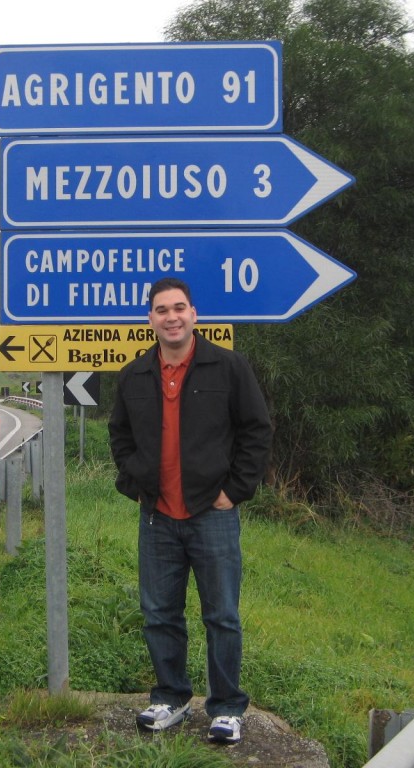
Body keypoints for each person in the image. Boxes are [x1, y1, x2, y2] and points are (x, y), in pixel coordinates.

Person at [108, 277, 273, 744]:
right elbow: (119, 436)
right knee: (159, 612)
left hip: (212, 513)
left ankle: (225, 707)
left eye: (179, 308)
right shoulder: (135, 375)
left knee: (221, 614)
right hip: (157, 516)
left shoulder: (229, 367)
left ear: (194, 315)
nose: (171, 316)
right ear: (150, 320)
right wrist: (134, 485)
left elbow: (256, 431)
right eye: (162, 310)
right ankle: (172, 698)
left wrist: (234, 491)